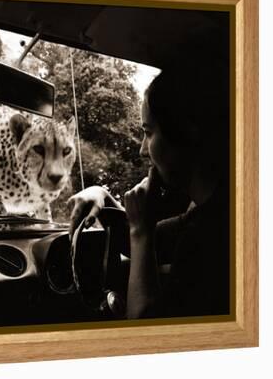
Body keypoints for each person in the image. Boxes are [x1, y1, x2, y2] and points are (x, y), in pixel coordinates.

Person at [69, 31, 230, 319]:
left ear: (186, 131)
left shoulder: (210, 235)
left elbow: (145, 325)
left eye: (148, 132)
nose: (144, 150)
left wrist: (141, 231)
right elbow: (140, 237)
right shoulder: (210, 210)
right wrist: (102, 196)